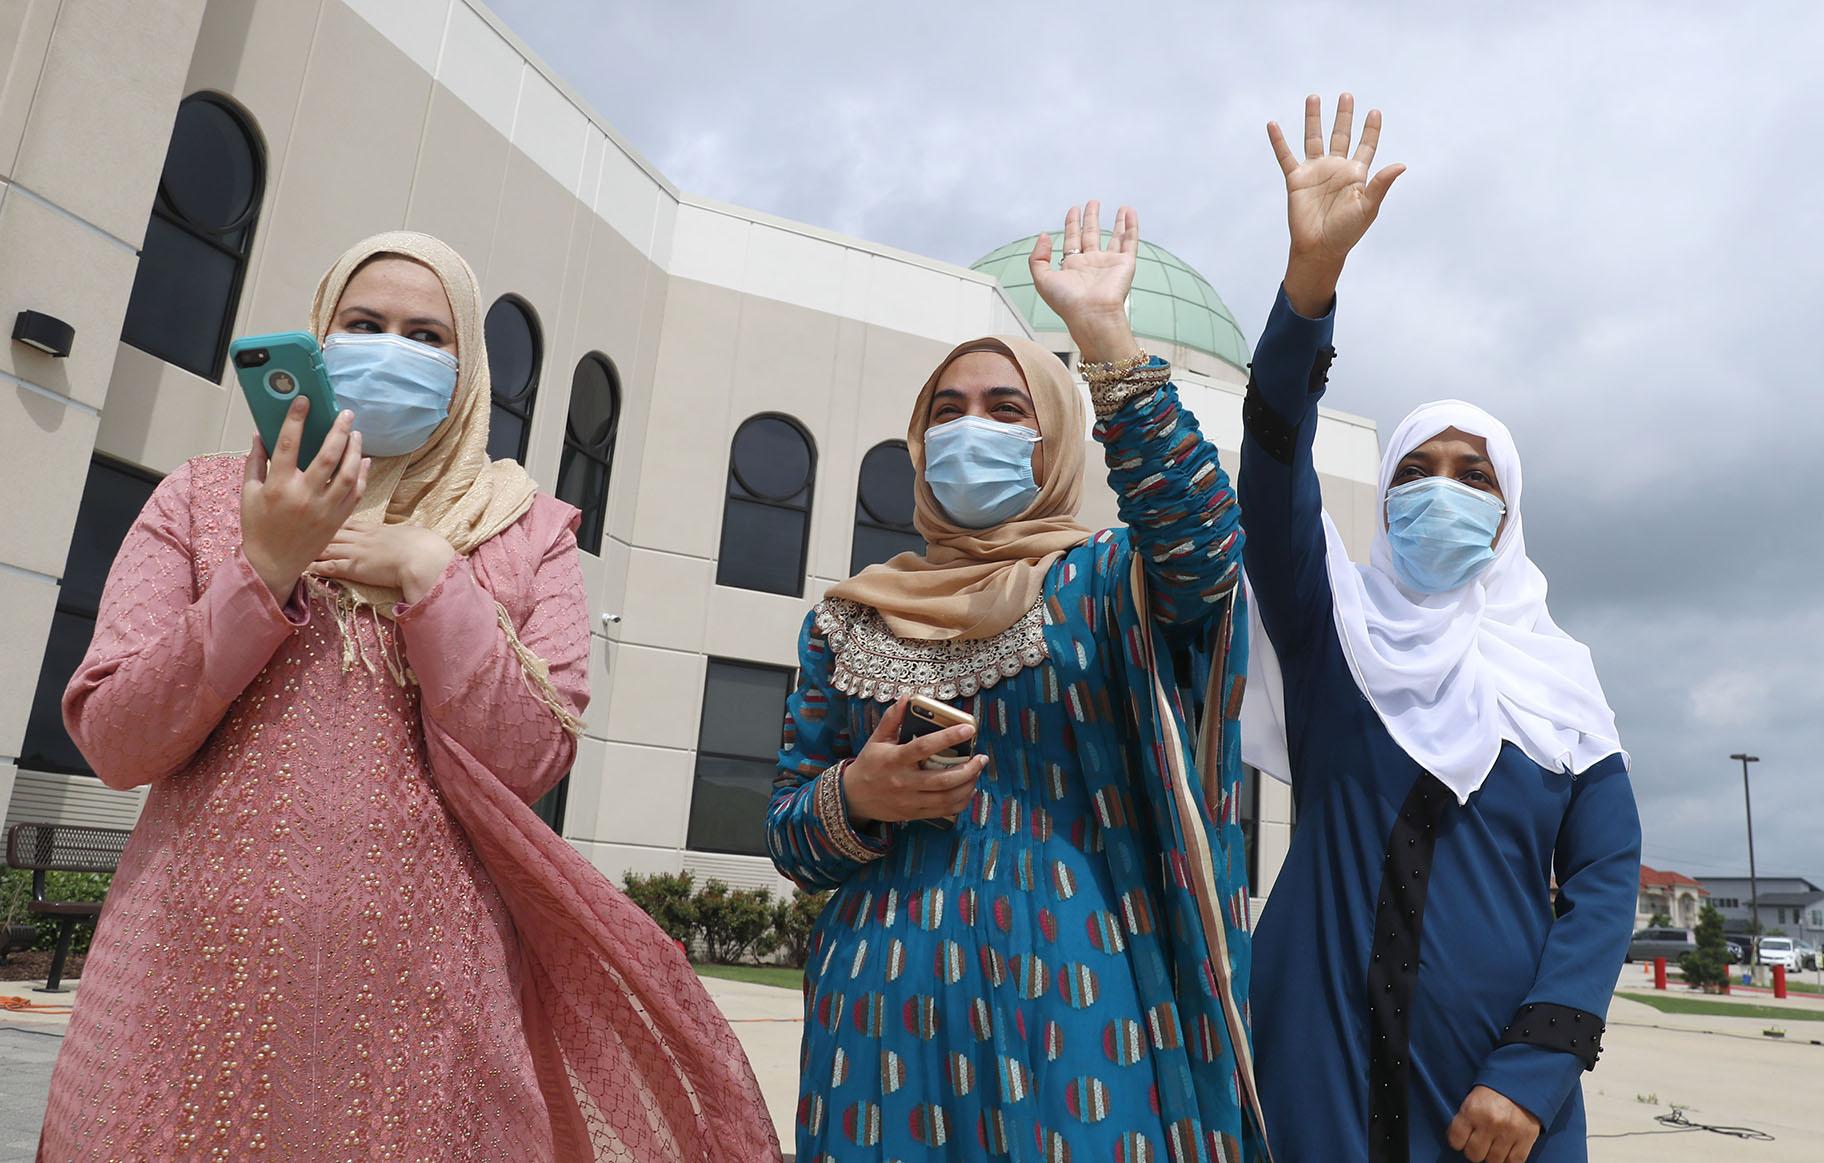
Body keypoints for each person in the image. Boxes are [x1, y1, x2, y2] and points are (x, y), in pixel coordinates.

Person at [41, 232, 780, 1161]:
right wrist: (264, 565)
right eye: (364, 323)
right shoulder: (200, 502)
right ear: (318, 335)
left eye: (427, 336)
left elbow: (532, 758)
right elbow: (116, 740)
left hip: (428, 1008)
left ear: (467, 371)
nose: (393, 349)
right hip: (190, 986)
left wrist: (435, 576)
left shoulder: (525, 531)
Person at [766, 202, 1270, 1161]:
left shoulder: (1102, 583)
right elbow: (791, 834)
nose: (971, 427)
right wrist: (854, 797)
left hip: (1076, 1009)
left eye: (1006, 408)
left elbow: (1207, 547)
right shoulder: (849, 617)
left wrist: (1101, 336)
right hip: (876, 1025)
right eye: (946, 411)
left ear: (1056, 441)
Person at [1238, 97, 1642, 1163]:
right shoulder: (1335, 638)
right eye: (1414, 470)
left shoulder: (1561, 689)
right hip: (1315, 1067)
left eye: (1474, 475)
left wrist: (1536, 1068)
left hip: (1501, 1110)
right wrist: (1309, 283)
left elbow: (1605, 880)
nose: (1441, 491)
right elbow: (1272, 472)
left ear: (1509, 513)